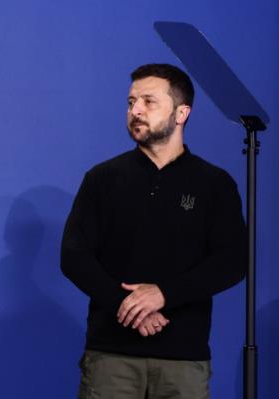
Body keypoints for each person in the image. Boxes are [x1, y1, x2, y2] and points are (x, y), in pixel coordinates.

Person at [61, 63, 247, 398]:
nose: (135, 111)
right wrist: (129, 305)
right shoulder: (102, 178)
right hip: (111, 356)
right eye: (131, 102)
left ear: (181, 113)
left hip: (183, 360)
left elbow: (232, 262)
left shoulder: (214, 184)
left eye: (149, 101)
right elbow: (74, 256)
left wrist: (163, 294)